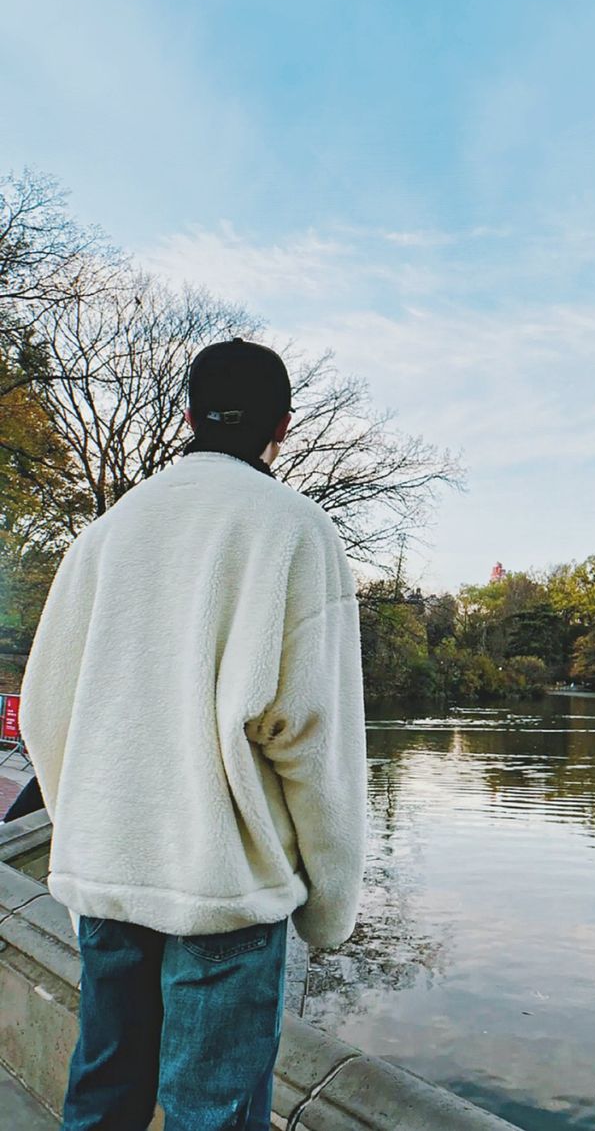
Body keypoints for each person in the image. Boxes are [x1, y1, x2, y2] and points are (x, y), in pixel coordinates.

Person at [19, 338, 368, 1131]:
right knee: (211, 1115)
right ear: (285, 426)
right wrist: (330, 905)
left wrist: (89, 841)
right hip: (224, 890)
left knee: (101, 1099)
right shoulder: (295, 530)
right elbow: (315, 742)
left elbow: (45, 712)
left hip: (110, 875)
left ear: (186, 417)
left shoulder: (107, 532)